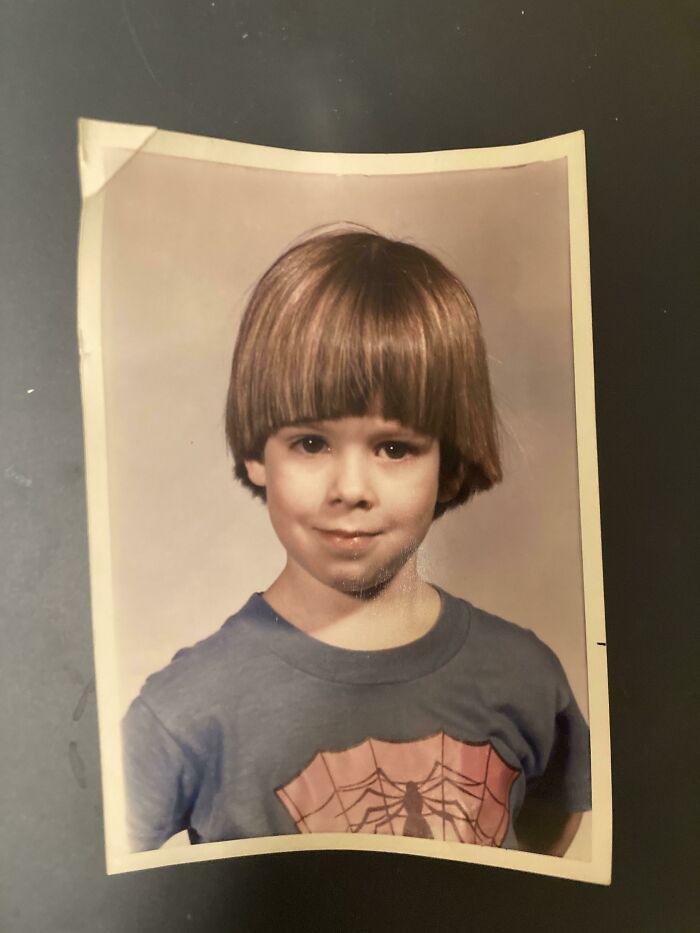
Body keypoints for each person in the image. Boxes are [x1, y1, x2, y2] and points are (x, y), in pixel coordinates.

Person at [122, 227, 591, 855]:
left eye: (395, 448)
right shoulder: (183, 711)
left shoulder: (526, 676)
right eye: (310, 443)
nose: (351, 488)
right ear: (258, 453)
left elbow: (548, 840)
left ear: (449, 466)